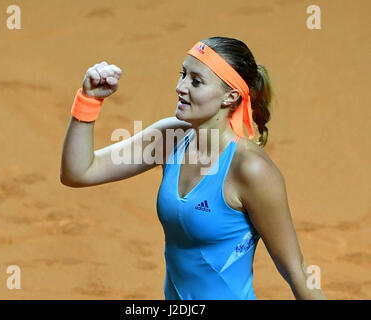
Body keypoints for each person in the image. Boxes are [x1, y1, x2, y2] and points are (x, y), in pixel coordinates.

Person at [60, 36, 327, 300]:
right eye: (183, 74)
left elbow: (296, 270)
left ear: (230, 96)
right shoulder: (170, 138)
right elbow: (80, 172)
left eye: (196, 81)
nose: (180, 86)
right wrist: (89, 101)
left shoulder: (250, 169)